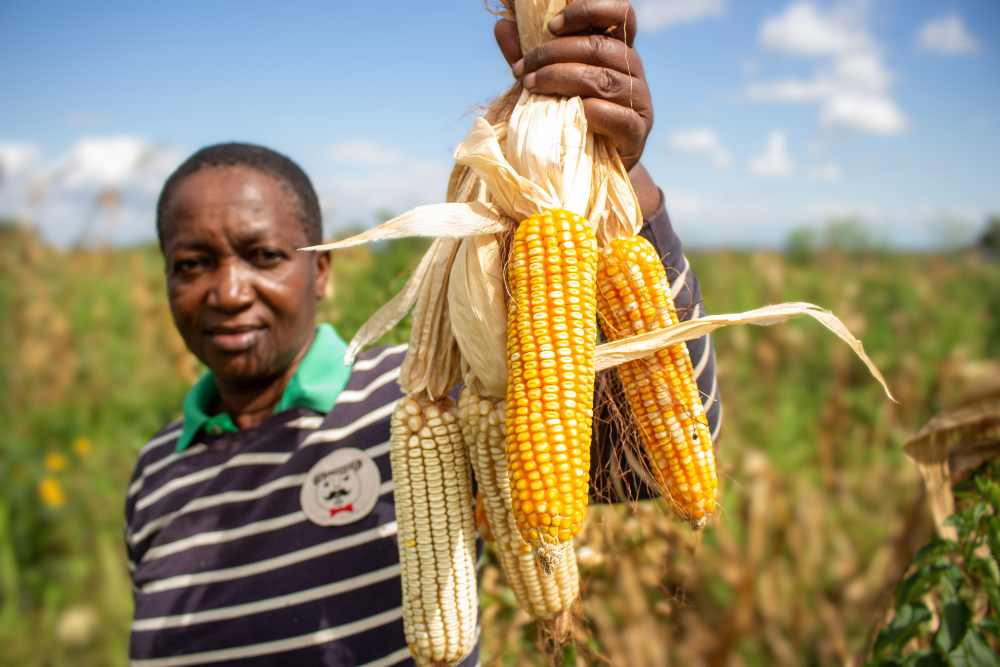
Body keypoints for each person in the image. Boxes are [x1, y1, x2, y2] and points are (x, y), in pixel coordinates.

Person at [124, 2, 721, 665]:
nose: (229, 292)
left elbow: (636, 461)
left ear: (321, 270)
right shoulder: (152, 474)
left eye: (263, 256)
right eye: (192, 265)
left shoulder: (415, 399)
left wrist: (622, 176)